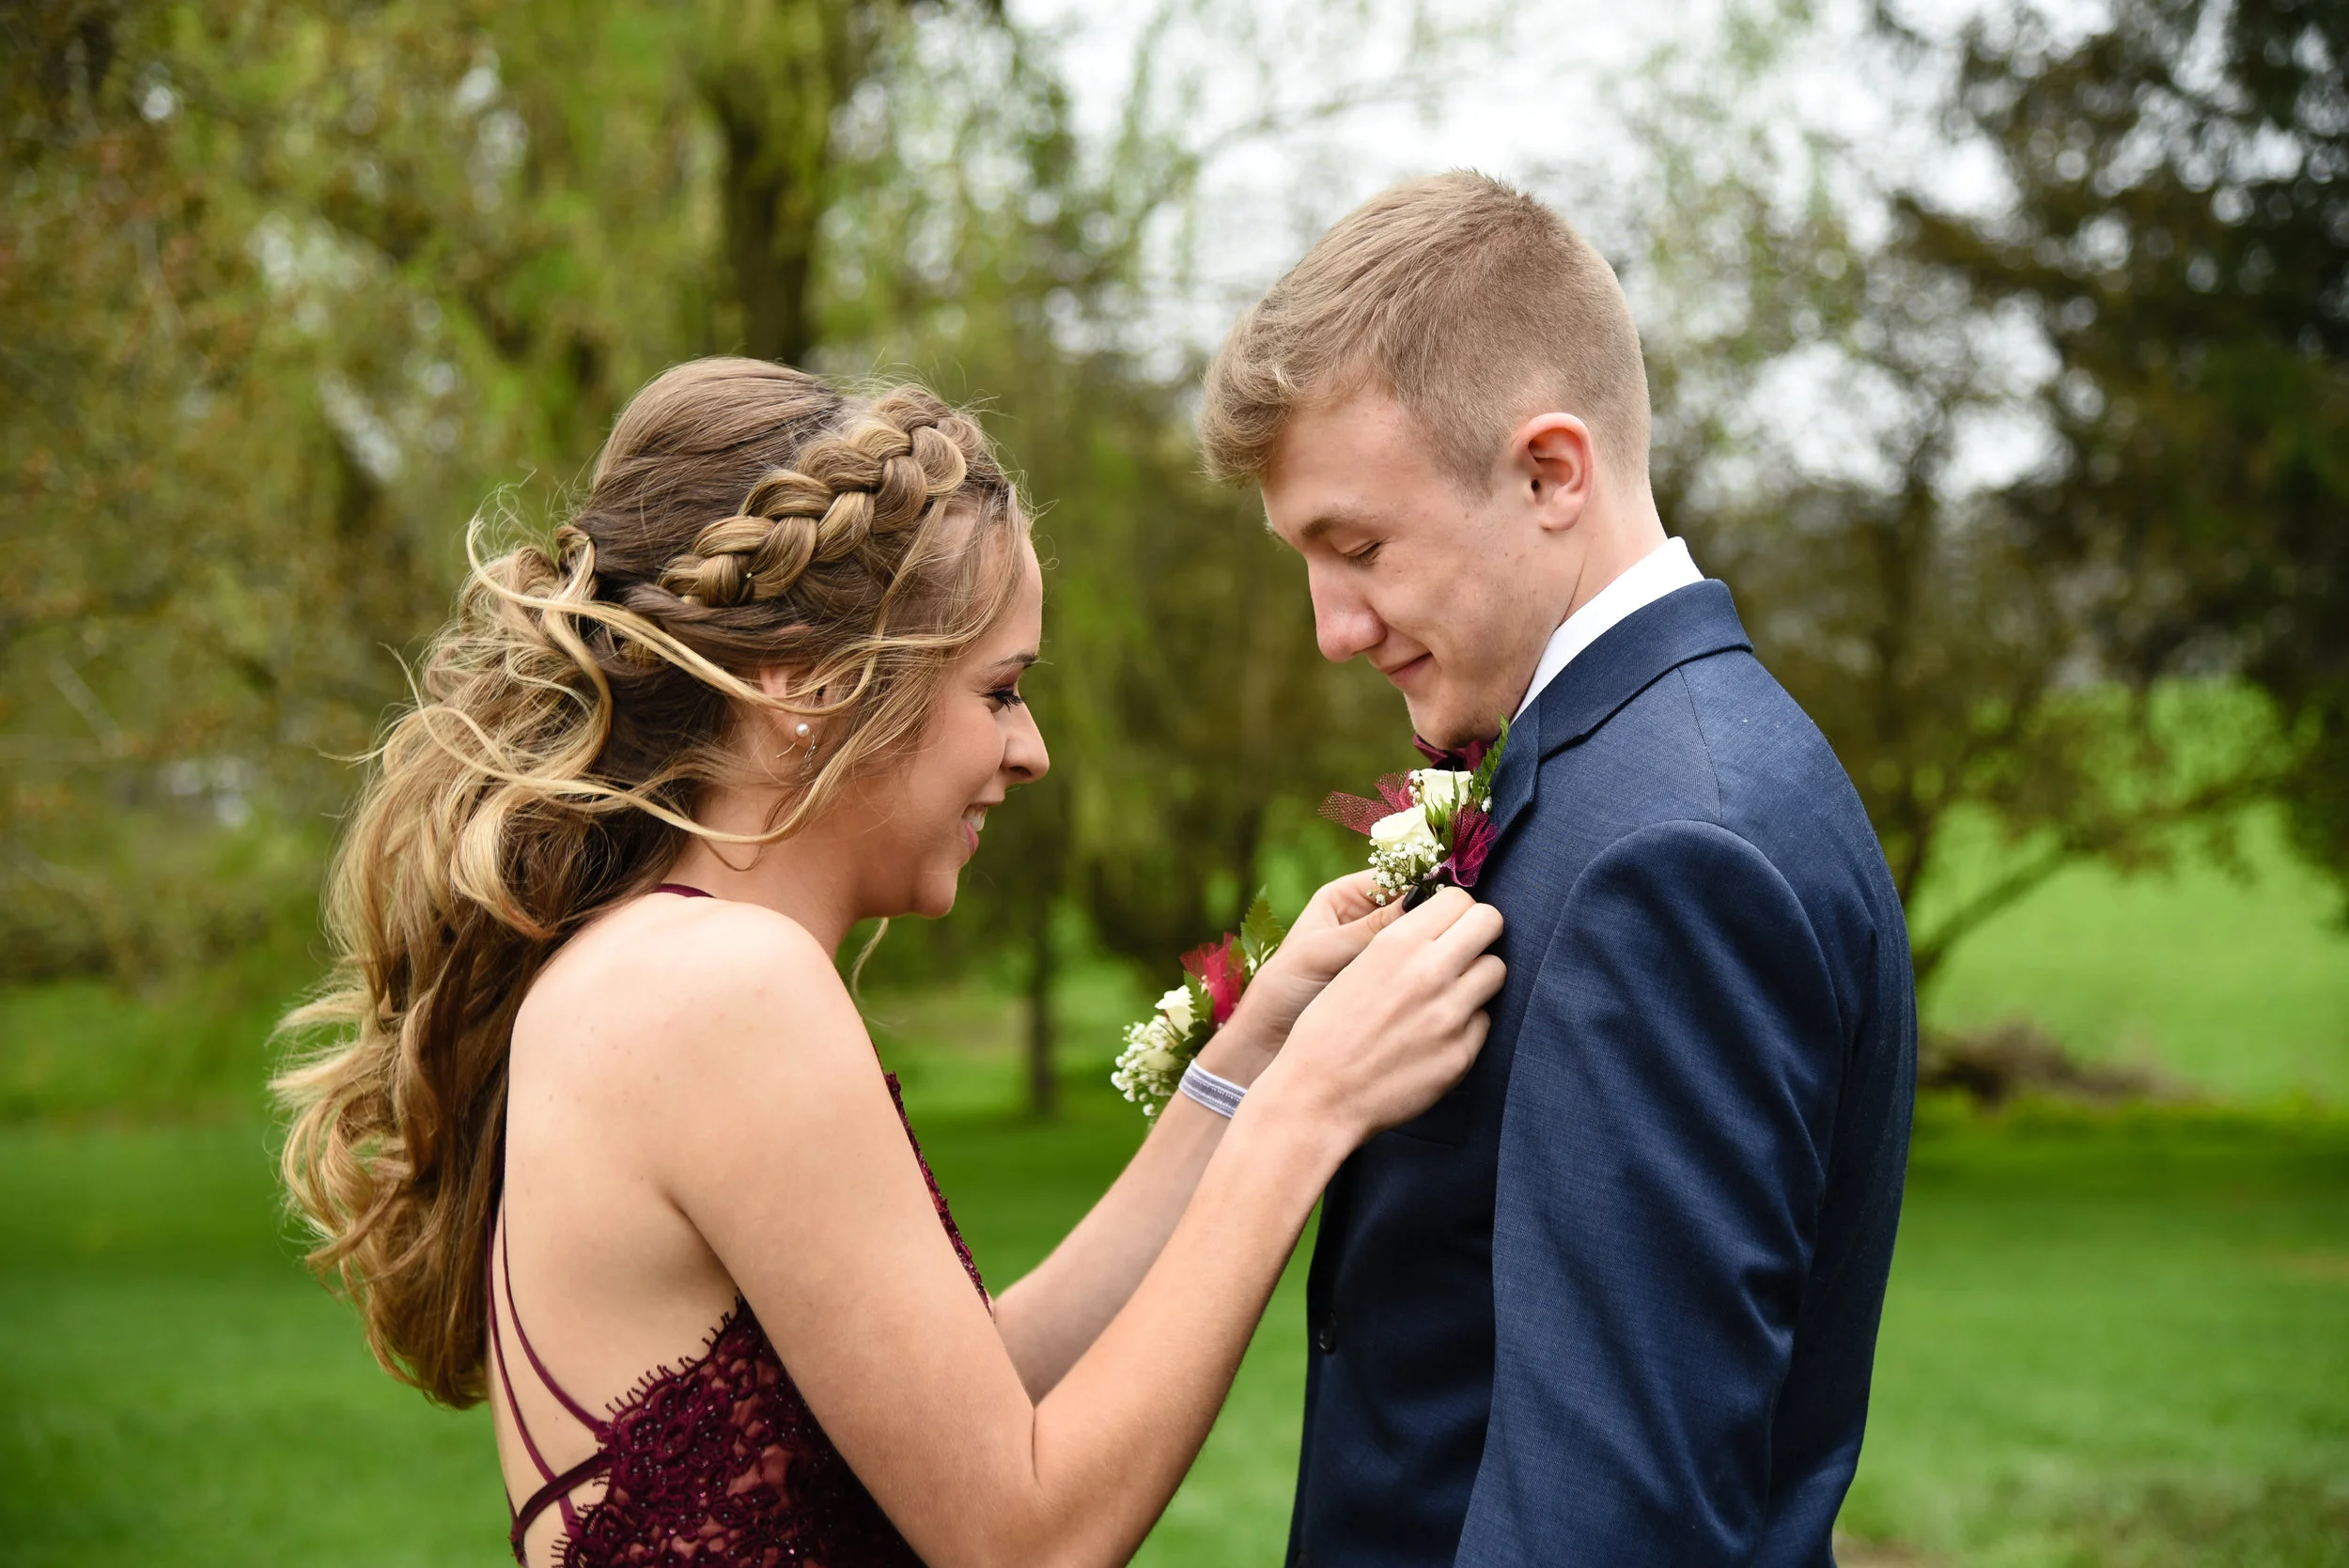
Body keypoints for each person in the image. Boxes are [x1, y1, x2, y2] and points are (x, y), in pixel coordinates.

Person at [273, 357, 1506, 1568]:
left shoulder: (653, 966)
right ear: (808, 688)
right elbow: (1025, 1538)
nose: (1032, 751)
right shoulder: (720, 989)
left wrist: (1247, 1059)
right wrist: (1308, 1115)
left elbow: (956, 1410)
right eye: (1001, 691)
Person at [1200, 172, 1917, 1566]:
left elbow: (1614, 1517)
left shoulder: (1673, 853)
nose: (1332, 629)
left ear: (1549, 473)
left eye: (1359, 548)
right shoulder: (1641, 769)